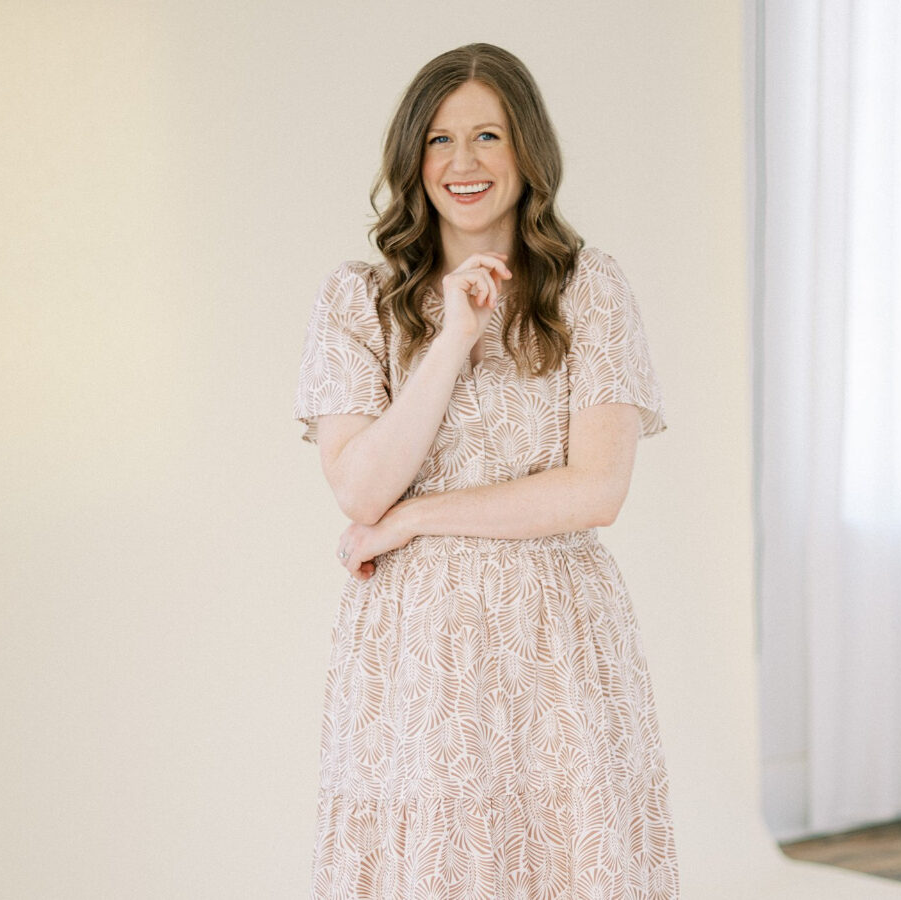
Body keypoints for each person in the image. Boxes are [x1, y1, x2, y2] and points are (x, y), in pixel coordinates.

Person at [294, 42, 680, 899]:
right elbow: (359, 488)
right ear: (411, 157)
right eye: (438, 139)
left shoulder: (591, 292)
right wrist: (455, 337)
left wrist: (416, 519)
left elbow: (597, 490)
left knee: (564, 863)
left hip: (556, 640)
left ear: (528, 151)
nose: (461, 163)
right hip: (414, 652)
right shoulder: (355, 300)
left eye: (488, 137)